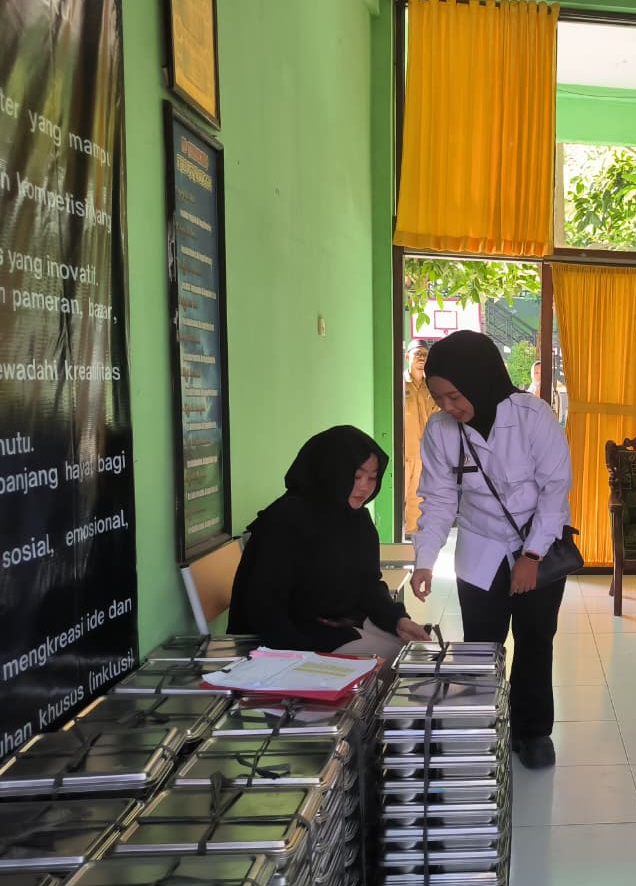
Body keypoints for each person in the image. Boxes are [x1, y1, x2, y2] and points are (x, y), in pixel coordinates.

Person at [409, 330, 571, 770]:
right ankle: (485, 724)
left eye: (454, 396)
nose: (448, 407)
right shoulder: (440, 431)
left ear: (479, 380)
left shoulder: (533, 416)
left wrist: (531, 557)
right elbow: (438, 499)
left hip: (538, 541)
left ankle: (532, 731)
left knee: (535, 638)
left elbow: (555, 492)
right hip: (480, 545)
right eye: (439, 399)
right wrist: (424, 561)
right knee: (481, 644)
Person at [229, 425, 430, 661]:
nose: (365, 486)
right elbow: (264, 607)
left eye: (372, 477)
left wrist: (397, 619)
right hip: (290, 635)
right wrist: (303, 659)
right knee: (393, 659)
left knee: (413, 652)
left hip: (337, 622)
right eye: (356, 476)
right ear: (331, 472)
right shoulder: (285, 520)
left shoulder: (357, 519)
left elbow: (368, 583)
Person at [403, 338, 437, 534]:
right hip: (403, 453)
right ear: (407, 356)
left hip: (422, 454)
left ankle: (411, 538)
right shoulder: (399, 384)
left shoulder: (430, 388)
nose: (421, 358)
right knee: (397, 496)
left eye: (425, 355)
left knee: (417, 499)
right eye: (418, 354)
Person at [527, 359, 562, 423]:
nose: (539, 375)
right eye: (536, 373)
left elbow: (557, 414)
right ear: (532, 374)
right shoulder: (528, 393)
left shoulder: (554, 392)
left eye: (542, 372)